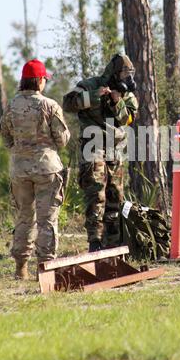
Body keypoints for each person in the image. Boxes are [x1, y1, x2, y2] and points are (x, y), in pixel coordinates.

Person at [0, 59, 70, 279]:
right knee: (47, 219)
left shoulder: (11, 105)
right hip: (46, 169)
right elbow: (62, 140)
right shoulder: (49, 105)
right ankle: (46, 269)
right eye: (44, 80)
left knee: (23, 217)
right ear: (40, 80)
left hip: (19, 170)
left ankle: (21, 268)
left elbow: (5, 136)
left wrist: (19, 151)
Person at [63, 54, 138, 252]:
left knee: (115, 196)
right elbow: (68, 103)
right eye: (124, 72)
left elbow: (128, 118)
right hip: (93, 145)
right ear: (114, 72)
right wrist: (94, 96)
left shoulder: (127, 94)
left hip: (115, 149)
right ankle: (95, 242)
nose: (127, 77)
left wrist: (117, 101)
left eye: (130, 73)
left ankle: (114, 244)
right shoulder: (90, 84)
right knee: (96, 193)